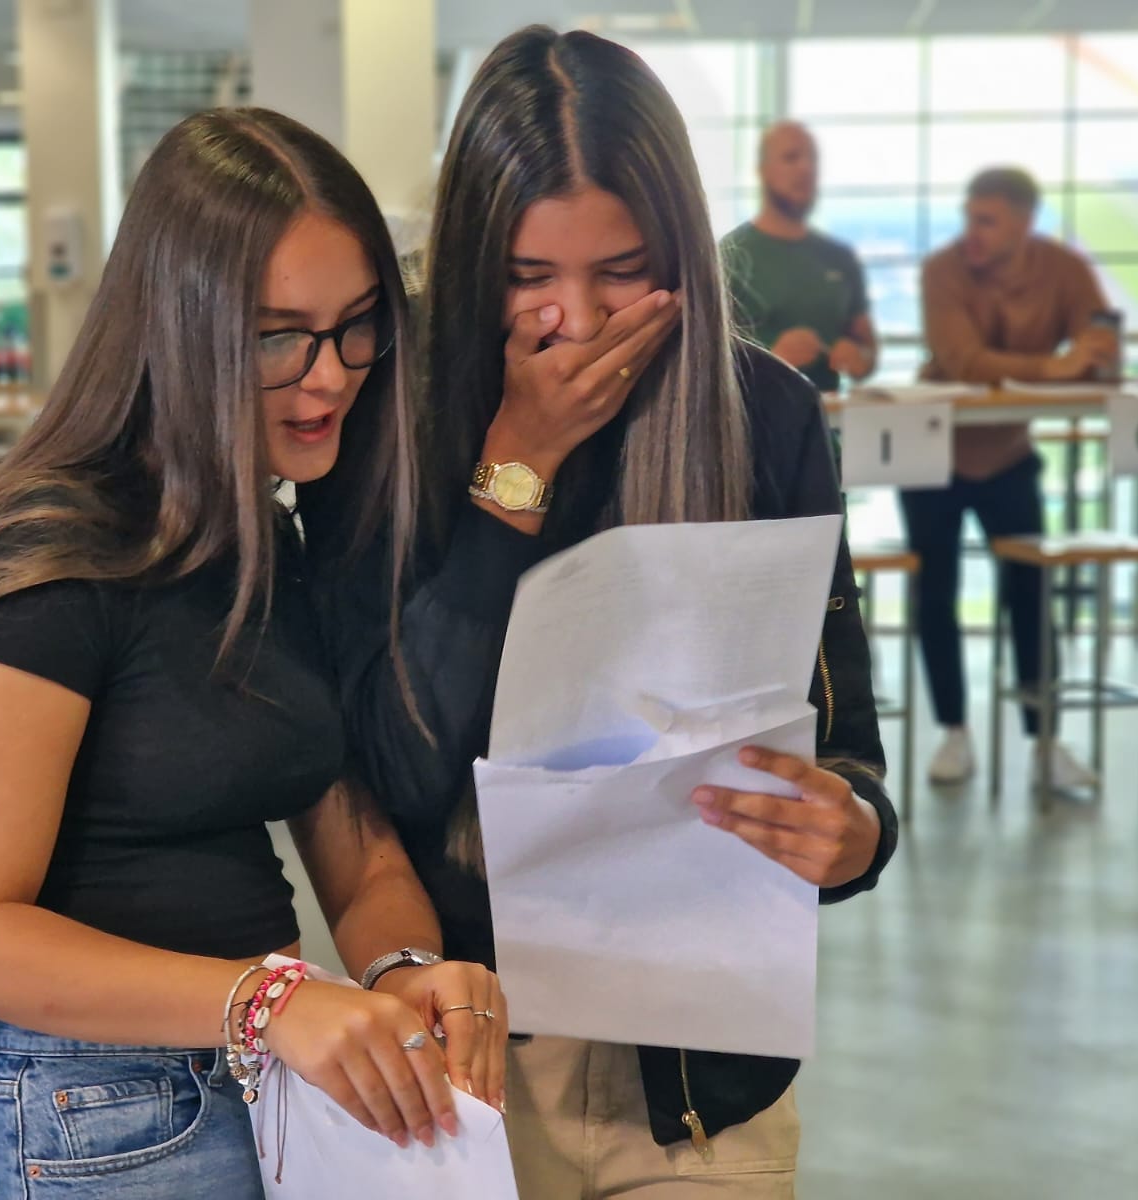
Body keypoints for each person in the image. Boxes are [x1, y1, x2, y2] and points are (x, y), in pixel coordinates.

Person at [300, 27, 896, 1198]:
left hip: (699, 1068)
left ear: (677, 239)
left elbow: (844, 739)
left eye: (621, 269)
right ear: (474, 260)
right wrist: (512, 472)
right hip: (463, 1050)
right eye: (528, 277)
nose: (574, 318)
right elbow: (392, 759)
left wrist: (856, 831)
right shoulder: (389, 415)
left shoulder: (761, 414)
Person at [0, 109, 508, 1198]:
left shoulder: (260, 532)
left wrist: (403, 970)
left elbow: (352, 841)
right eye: (278, 337)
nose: (329, 377)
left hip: (257, 1086)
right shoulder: (53, 554)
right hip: (97, 1118)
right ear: (177, 325)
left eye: (358, 326)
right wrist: (268, 1000)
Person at [907, 166, 1112, 788]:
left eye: (987, 220)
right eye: (968, 217)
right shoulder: (942, 270)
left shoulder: (1066, 270)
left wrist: (1083, 360)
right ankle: (953, 733)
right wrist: (1058, 367)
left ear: (1025, 222)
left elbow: (1103, 351)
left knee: (1030, 593)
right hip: (930, 448)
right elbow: (964, 362)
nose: (972, 231)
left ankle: (1046, 743)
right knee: (935, 594)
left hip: (1009, 453)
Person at [722, 121, 877, 392]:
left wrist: (859, 358)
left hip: (829, 424)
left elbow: (868, 349)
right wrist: (773, 359)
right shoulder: (731, 255)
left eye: (812, 159)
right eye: (791, 158)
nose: (806, 169)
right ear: (763, 171)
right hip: (757, 423)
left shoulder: (840, 258)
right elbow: (706, 359)